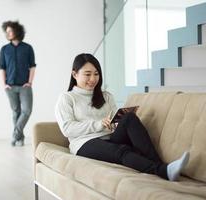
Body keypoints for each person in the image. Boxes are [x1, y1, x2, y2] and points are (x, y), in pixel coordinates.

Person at [55, 53, 189, 181]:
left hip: (109, 138)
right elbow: (67, 129)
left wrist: (116, 122)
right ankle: (163, 171)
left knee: (129, 117)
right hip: (84, 143)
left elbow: (114, 121)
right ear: (74, 74)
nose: (93, 79)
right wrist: (99, 124)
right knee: (122, 151)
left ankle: (162, 166)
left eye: (96, 74)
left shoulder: (106, 96)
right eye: (87, 74)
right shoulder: (67, 98)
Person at [0, 21, 36, 146]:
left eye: (10, 30)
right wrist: (4, 84)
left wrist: (30, 82)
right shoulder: (4, 49)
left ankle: (15, 135)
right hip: (10, 86)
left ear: (17, 31)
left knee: (27, 111)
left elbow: (32, 67)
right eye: (6, 31)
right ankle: (20, 138)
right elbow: (2, 68)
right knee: (16, 112)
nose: (7, 33)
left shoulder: (28, 48)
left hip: (24, 86)